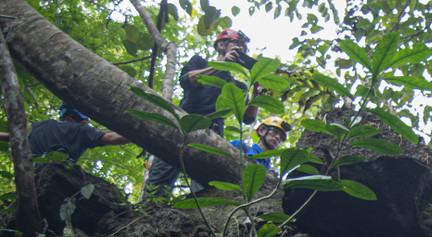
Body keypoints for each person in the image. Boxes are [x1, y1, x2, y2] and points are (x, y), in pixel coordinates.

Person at [142, 27, 260, 199]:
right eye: (236, 44)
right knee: (157, 188)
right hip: (181, 127)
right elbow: (188, 80)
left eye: (243, 48)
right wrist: (222, 64)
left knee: (205, 192)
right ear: (221, 44)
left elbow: (247, 118)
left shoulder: (238, 87)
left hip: (211, 137)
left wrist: (257, 92)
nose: (240, 49)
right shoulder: (199, 62)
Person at [0, 103, 130, 162]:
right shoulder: (81, 130)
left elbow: (11, 137)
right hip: (62, 176)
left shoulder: (39, 126)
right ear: (84, 120)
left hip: (33, 177)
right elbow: (111, 138)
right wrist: (138, 136)